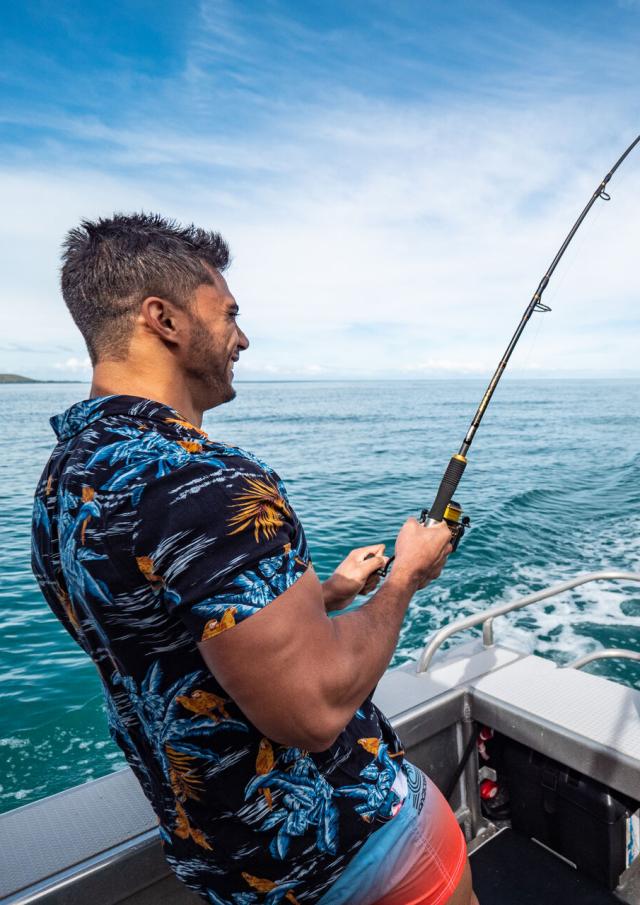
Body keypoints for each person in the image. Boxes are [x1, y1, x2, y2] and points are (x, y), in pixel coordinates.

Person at [31, 213, 479, 905]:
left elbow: (168, 640)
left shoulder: (63, 485)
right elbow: (316, 706)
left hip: (231, 872)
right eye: (228, 314)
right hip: (356, 852)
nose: (242, 338)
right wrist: (406, 581)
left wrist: (325, 595)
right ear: (164, 319)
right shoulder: (205, 481)